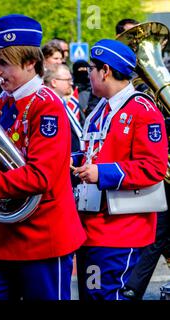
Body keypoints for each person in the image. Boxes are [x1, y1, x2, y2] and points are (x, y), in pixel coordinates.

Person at [0, 14, 86, 300]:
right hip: (4, 234)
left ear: (29, 62)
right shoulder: (4, 99)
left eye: (4, 63)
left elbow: (41, 176)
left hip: (43, 236)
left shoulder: (47, 105)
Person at [72, 39, 168, 300]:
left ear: (105, 71)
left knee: (108, 296)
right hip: (92, 227)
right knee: (92, 295)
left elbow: (154, 167)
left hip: (121, 231)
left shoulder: (143, 110)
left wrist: (101, 174)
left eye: (92, 68)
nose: (87, 74)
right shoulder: (100, 109)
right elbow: (93, 151)